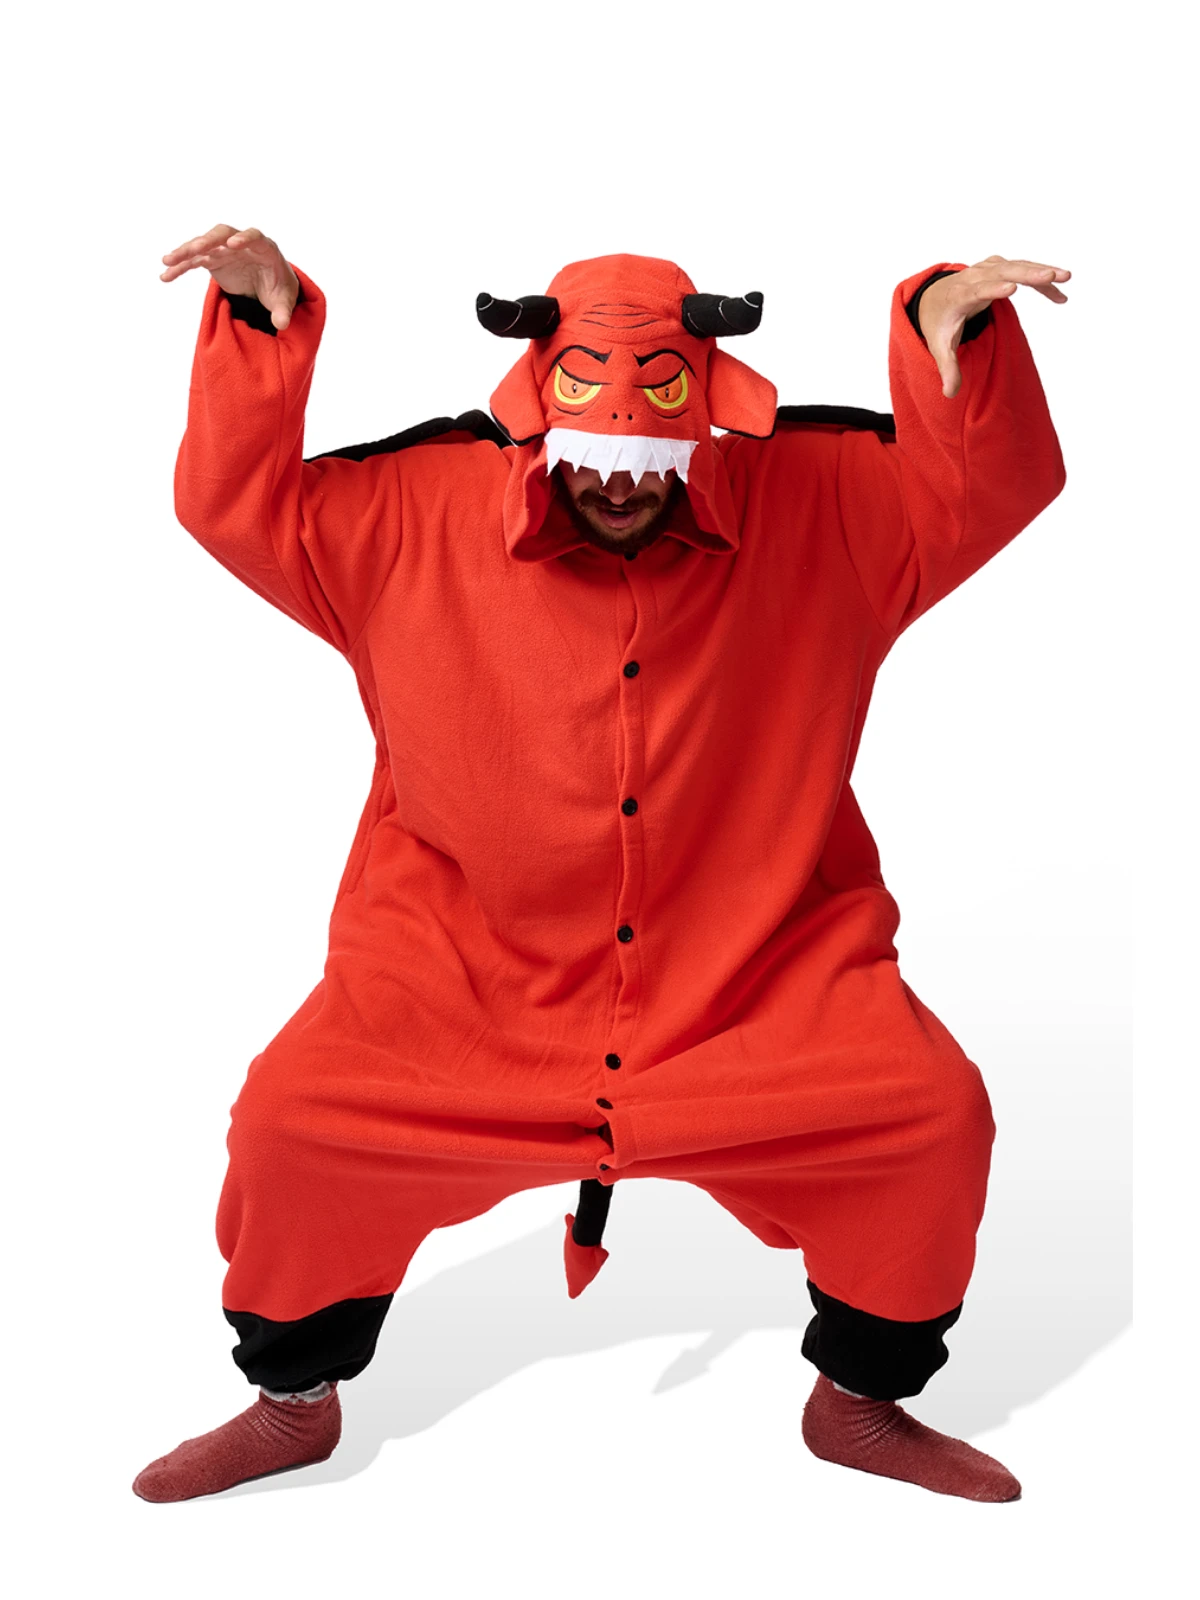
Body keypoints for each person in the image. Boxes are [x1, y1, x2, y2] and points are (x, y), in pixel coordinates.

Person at [133, 225, 1069, 1504]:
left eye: (650, 463)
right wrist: (265, 324)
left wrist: (947, 322)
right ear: (536, 405)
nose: (619, 489)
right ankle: (293, 1402)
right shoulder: (408, 509)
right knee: (294, 1125)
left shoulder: (829, 502)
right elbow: (237, 504)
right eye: (590, 456)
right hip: (456, 982)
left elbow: (979, 489)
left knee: (930, 1118)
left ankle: (860, 1401)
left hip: (760, 981)